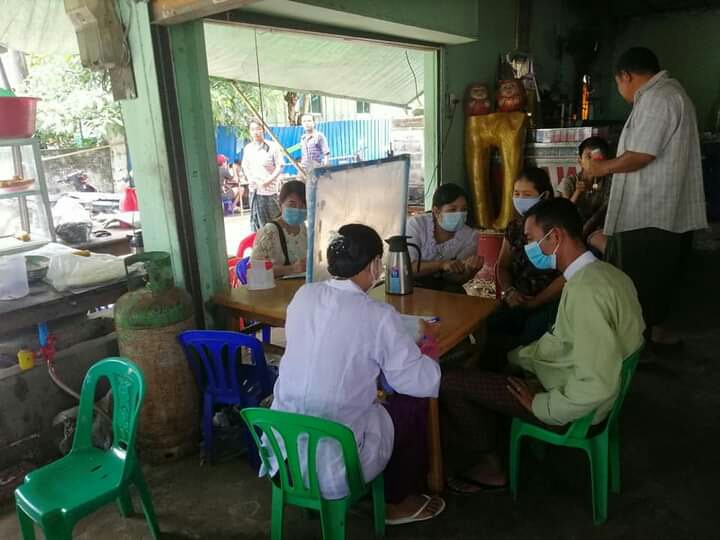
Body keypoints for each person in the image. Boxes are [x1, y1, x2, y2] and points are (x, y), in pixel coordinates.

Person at [440, 198, 645, 493]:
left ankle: (489, 465)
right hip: (574, 379)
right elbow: (575, 344)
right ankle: (492, 429)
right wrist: (519, 357)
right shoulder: (608, 274)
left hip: (574, 406)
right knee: (491, 351)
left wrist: (542, 404)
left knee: (448, 381)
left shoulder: (586, 293)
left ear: (555, 236)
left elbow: (595, 384)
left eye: (531, 239)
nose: (528, 247)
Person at [268, 224, 445, 524]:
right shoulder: (379, 315)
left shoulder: (304, 295)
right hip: (335, 467)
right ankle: (397, 500)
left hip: (281, 457)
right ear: (375, 264)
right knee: (411, 403)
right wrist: (428, 348)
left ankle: (316, 498)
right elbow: (418, 380)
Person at [583, 47, 707, 349]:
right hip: (659, 210)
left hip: (651, 211)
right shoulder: (667, 95)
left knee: (641, 278)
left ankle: (636, 345)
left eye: (617, 82)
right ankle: (649, 336)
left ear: (625, 76)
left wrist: (600, 168)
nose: (620, 89)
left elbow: (641, 155)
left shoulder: (658, 99)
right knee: (654, 279)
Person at [487, 167, 564, 355]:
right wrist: (509, 292)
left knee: (529, 337)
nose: (520, 199)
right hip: (516, 300)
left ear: (545, 195)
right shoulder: (514, 227)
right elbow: (503, 266)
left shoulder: (557, 228)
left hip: (550, 302)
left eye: (527, 194)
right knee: (491, 327)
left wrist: (535, 302)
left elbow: (566, 276)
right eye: (516, 193)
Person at [405, 183, 484, 293]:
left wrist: (470, 271)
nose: (459, 214)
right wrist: (442, 264)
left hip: (442, 287)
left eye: (463, 209)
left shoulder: (470, 236)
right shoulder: (416, 225)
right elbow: (407, 269)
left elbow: (454, 279)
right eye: (452, 209)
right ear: (436, 211)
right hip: (410, 285)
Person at [558, 137, 612, 254]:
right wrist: (577, 192)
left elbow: (601, 213)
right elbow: (564, 212)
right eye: (588, 157)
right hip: (572, 233)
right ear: (580, 161)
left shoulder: (609, 183)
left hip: (596, 232)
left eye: (597, 157)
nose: (593, 162)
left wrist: (584, 233)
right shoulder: (569, 182)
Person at [252, 180, 308, 277]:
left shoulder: (302, 227)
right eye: (292, 204)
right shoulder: (270, 232)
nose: (298, 209)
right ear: (280, 204)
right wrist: (291, 269)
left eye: (303, 205)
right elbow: (255, 269)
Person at [242, 119, 284, 231]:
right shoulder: (248, 148)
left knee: (275, 222)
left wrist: (268, 181)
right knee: (257, 223)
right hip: (255, 191)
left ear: (263, 130)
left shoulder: (272, 147)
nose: (255, 132)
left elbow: (280, 166)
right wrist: (250, 179)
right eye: (252, 129)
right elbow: (245, 166)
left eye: (258, 129)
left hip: (269, 191)